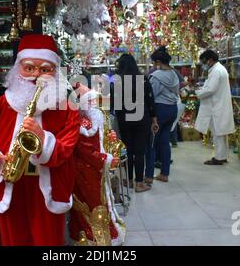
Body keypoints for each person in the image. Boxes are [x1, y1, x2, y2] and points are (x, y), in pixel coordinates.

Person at [0, 34, 80, 246]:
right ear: (17, 69)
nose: (35, 76)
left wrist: (42, 139)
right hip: (10, 186)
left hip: (47, 189)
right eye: (29, 68)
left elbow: (66, 149)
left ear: (56, 73)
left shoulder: (67, 109)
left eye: (45, 70)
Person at [69, 84, 126, 246]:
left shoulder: (92, 120)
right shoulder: (83, 124)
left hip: (95, 169)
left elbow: (97, 143)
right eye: (93, 100)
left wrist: (109, 140)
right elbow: (85, 150)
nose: (96, 103)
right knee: (92, 203)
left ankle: (100, 233)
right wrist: (105, 159)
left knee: (98, 201)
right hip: (85, 171)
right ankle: (93, 238)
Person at [111, 54, 156, 193]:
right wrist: (154, 119)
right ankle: (139, 183)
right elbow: (150, 101)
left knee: (128, 151)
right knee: (140, 152)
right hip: (142, 119)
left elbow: (114, 105)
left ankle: (129, 180)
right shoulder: (143, 79)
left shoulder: (117, 81)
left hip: (125, 120)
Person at [145, 47, 179, 184]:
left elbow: (151, 95)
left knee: (151, 143)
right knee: (165, 141)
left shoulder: (157, 76)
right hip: (172, 109)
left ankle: (148, 176)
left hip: (160, 110)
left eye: (154, 62)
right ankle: (165, 173)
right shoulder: (174, 74)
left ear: (158, 62)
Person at [195, 50, 235, 165]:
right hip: (219, 105)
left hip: (216, 106)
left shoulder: (217, 71)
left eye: (204, 61)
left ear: (210, 60)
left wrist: (198, 93)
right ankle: (223, 155)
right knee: (222, 133)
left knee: (218, 133)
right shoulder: (219, 69)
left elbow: (210, 89)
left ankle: (218, 157)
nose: (203, 64)